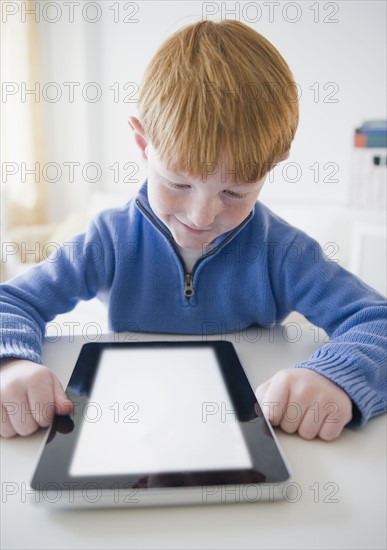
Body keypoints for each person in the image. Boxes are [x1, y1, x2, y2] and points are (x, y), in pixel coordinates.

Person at [1, 20, 386, 440]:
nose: (202, 216)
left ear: (275, 164)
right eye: (179, 183)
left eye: (235, 192)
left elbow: (375, 320)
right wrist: (12, 363)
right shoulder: (109, 240)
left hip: (250, 433)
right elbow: (13, 300)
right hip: (131, 432)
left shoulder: (283, 252)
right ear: (144, 143)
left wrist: (335, 376)